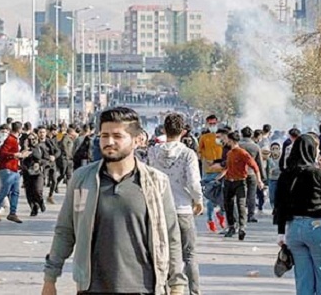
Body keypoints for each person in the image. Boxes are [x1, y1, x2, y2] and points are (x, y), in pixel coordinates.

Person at [42, 107, 187, 295]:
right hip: (91, 287)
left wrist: (176, 286)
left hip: (144, 288)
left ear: (136, 140)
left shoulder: (156, 182)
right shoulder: (82, 180)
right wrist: (50, 279)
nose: (109, 142)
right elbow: (65, 230)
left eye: (117, 136)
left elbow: (171, 235)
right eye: (104, 135)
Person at [274, 134, 321, 295]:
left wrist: (280, 232)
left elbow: (280, 205)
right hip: (318, 226)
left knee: (303, 279)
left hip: (294, 230)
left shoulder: (286, 174)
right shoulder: (317, 173)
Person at [147, 113, 203, 295]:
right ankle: (194, 291)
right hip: (182, 208)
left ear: (164, 130)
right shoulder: (188, 154)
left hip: (158, 210)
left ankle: (161, 288)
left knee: (159, 252)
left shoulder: (153, 152)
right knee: (189, 254)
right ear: (184, 132)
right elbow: (193, 183)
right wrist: (198, 200)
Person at [221, 130, 263, 240]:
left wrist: (259, 180)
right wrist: (218, 179)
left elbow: (255, 166)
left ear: (230, 140)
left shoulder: (242, 153)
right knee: (228, 205)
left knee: (240, 205)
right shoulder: (229, 153)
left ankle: (242, 228)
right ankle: (231, 226)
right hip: (228, 182)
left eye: (226, 139)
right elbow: (227, 168)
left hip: (240, 182)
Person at [0, 121, 29, 224]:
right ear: (20, 129)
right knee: (6, 189)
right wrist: (14, 155)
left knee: (15, 191)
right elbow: (2, 153)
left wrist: (22, 154)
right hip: (7, 168)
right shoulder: (10, 139)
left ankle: (12, 213)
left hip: (15, 168)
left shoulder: (15, 140)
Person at [198, 115, 225, 232]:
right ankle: (210, 220)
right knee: (210, 198)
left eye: (214, 123)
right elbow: (199, 152)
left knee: (224, 197)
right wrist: (204, 159)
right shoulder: (204, 138)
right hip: (209, 172)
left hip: (222, 171)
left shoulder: (221, 137)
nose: (212, 125)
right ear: (207, 124)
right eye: (210, 124)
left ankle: (221, 214)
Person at [239, 126, 266, 223]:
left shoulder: (238, 146)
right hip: (252, 173)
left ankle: (241, 215)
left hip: (240, 173)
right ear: (251, 135)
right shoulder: (255, 146)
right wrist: (263, 178)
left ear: (241, 134)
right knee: (252, 195)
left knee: (241, 195)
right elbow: (259, 163)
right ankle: (251, 215)